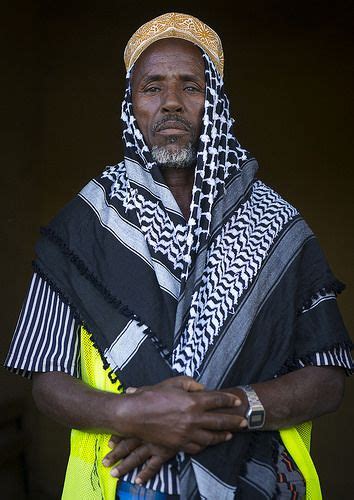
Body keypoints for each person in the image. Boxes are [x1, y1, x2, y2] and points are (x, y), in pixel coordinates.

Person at [5, 12, 353, 500]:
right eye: (152, 88)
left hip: (258, 482)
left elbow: (327, 377)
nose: (171, 102)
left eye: (191, 87)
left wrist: (225, 408)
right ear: (131, 106)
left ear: (216, 104)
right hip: (125, 484)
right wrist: (132, 415)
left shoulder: (277, 225)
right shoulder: (84, 227)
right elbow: (45, 377)